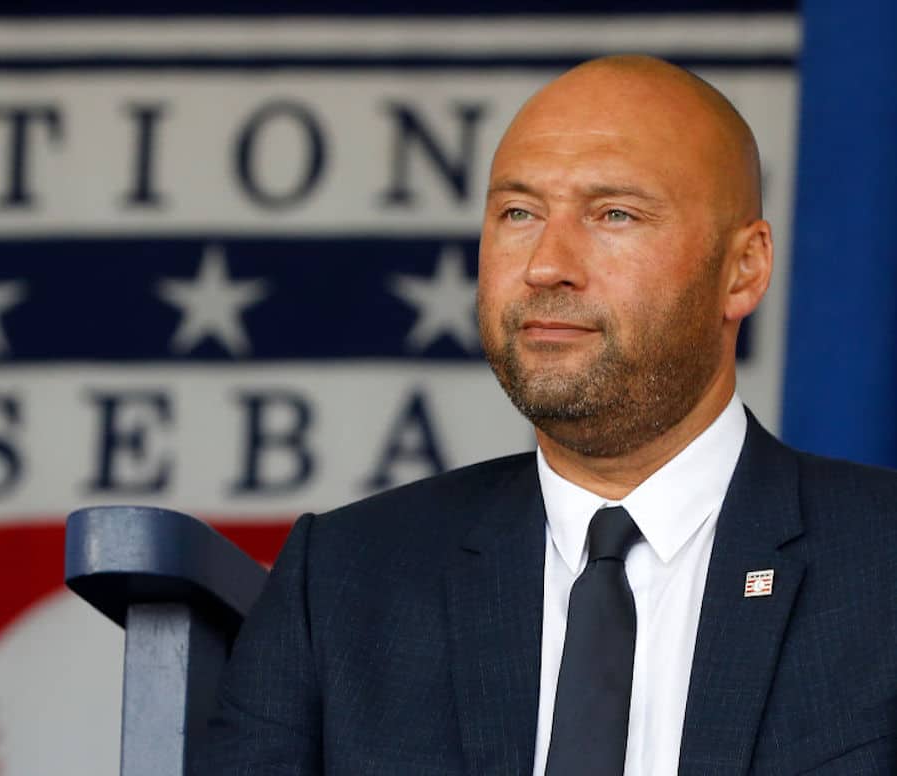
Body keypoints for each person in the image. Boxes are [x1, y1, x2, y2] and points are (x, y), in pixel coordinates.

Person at [190, 55, 897, 775]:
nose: (546, 264)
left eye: (614, 214)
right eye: (518, 213)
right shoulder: (340, 584)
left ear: (743, 268)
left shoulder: (880, 563)